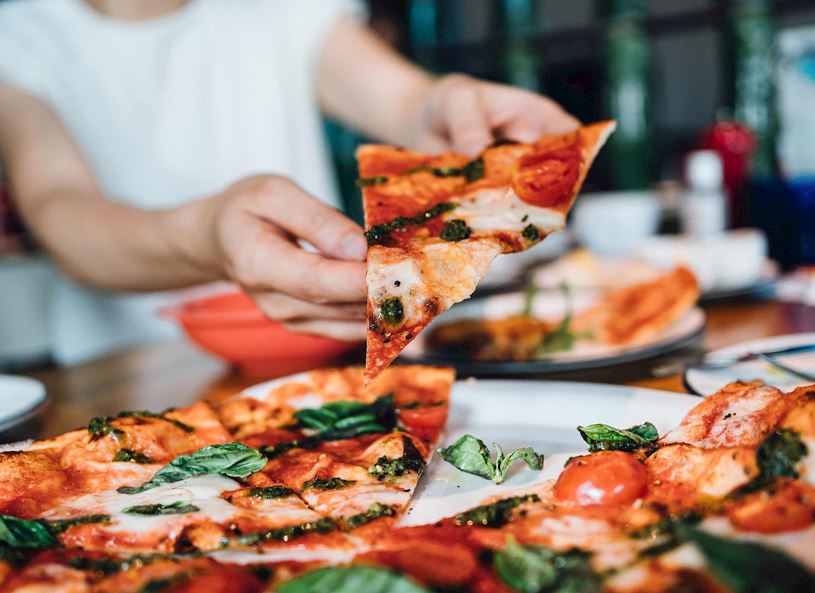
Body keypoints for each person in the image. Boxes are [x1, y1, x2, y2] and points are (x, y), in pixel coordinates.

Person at [0, 0, 578, 365]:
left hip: (332, 364)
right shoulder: (20, 38)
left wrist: (444, 104)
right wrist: (207, 236)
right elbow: (61, 214)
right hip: (126, 383)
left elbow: (407, 101)